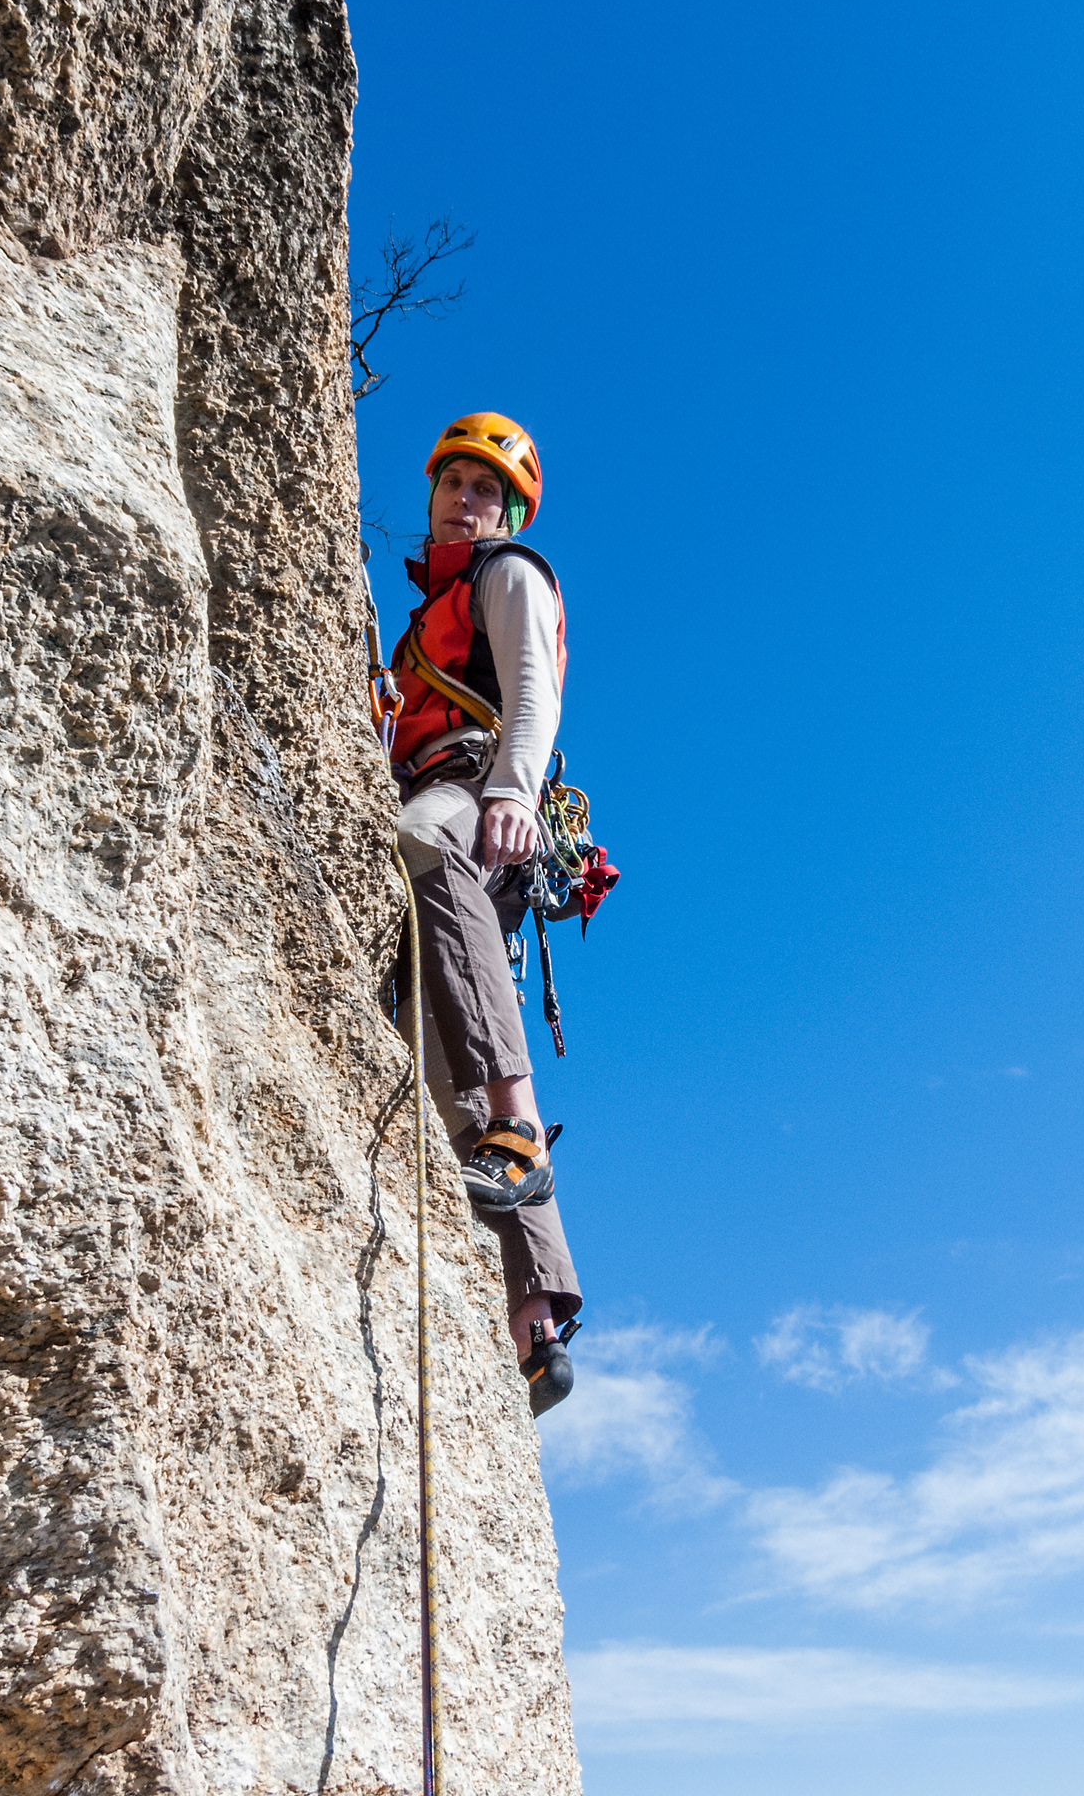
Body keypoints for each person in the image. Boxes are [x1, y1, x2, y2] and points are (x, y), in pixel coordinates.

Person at [390, 412, 581, 1415]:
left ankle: (512, 1119)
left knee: (419, 841)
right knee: (441, 1034)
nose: (465, 500)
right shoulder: (422, 618)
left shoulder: (506, 574)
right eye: (451, 483)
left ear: (505, 508)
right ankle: (533, 1317)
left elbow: (534, 691)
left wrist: (510, 788)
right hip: (449, 792)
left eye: (482, 489)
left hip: (471, 788)